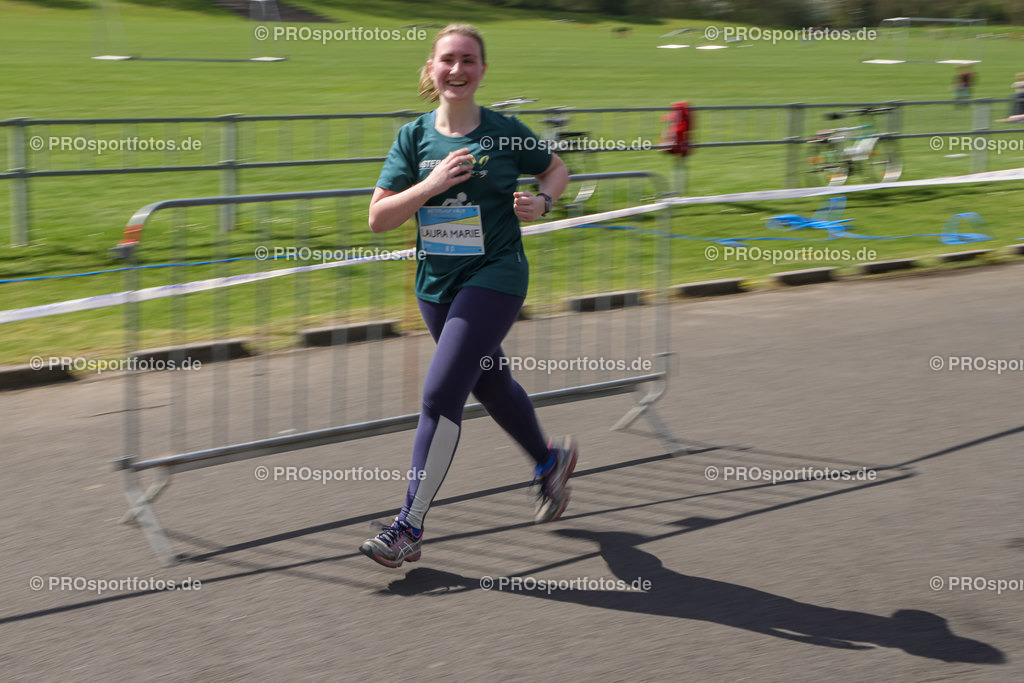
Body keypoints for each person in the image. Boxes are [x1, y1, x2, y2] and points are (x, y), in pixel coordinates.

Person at [360, 24, 575, 568]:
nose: (458, 70)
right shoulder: (413, 138)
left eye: (469, 61)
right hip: (436, 285)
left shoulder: (504, 132)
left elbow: (556, 169)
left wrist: (543, 203)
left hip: (496, 276)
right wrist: (430, 185)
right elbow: (379, 218)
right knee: (492, 382)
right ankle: (549, 463)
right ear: (431, 69)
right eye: (448, 60)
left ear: (482, 70)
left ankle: (408, 526)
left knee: (439, 396)